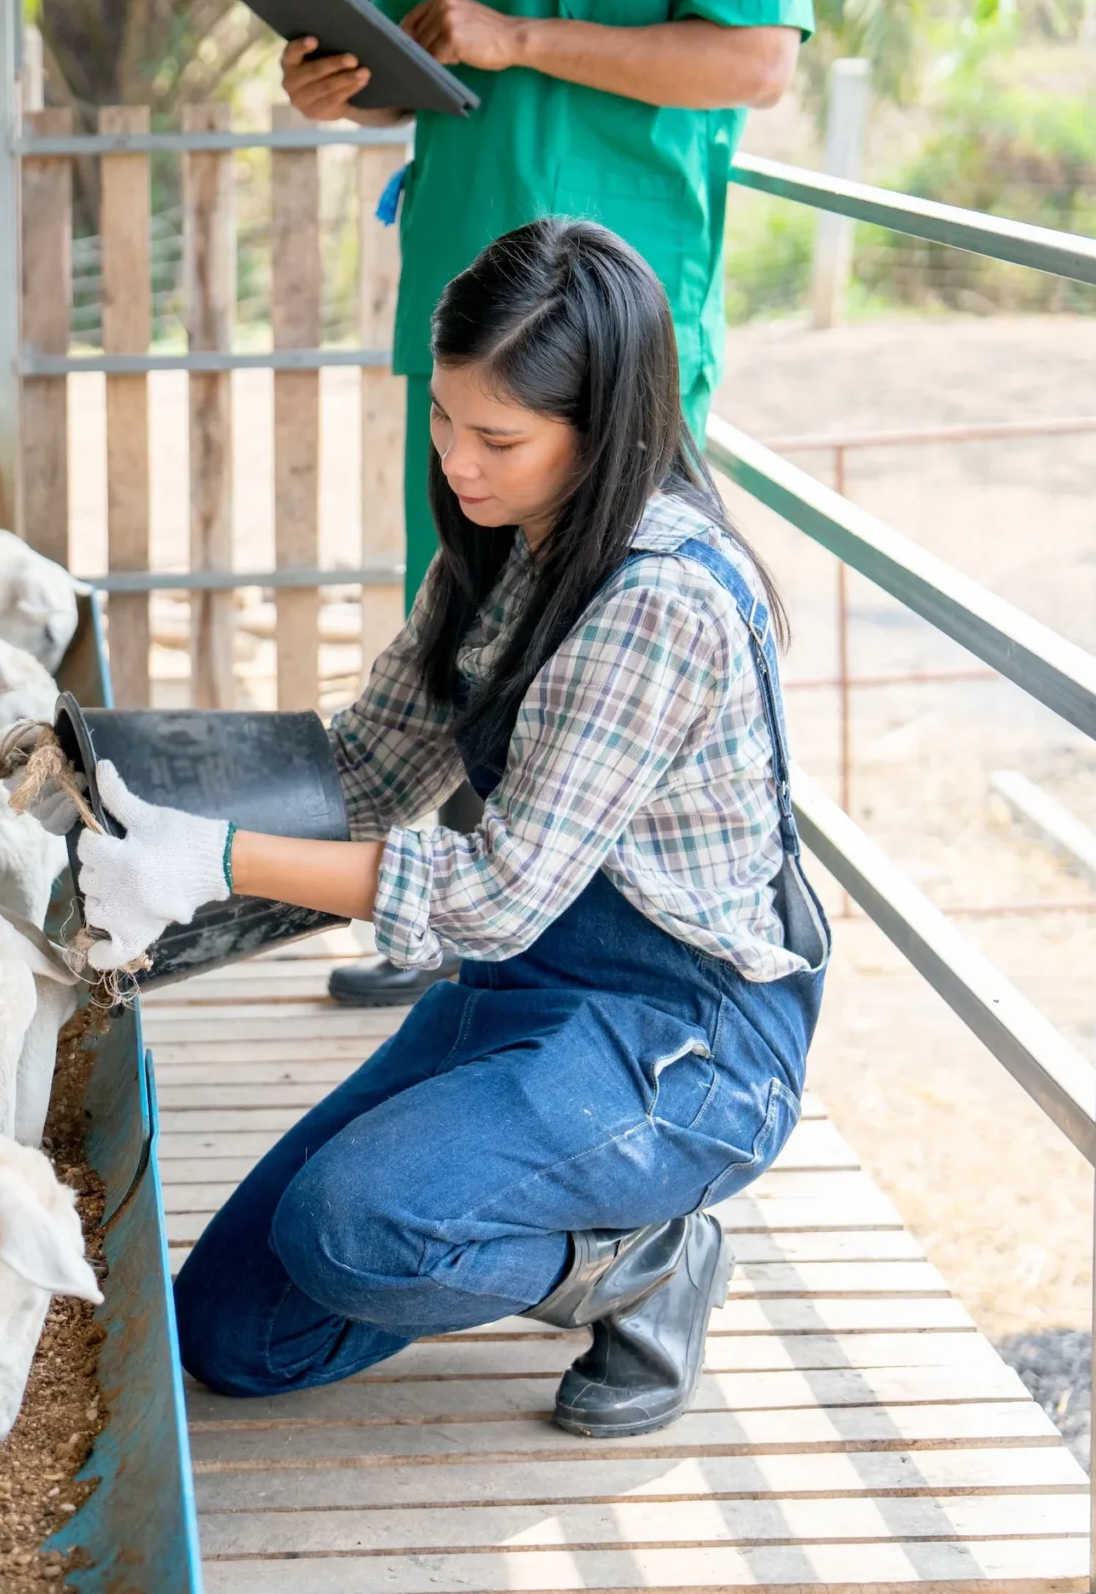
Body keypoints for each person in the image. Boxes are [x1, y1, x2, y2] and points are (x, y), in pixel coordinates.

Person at [69, 220, 828, 1436]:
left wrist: (212, 862)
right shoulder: (501, 545)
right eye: (443, 418)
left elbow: (490, 896)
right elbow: (369, 771)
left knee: (354, 1226)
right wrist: (119, 796)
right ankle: (567, 1220)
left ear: (607, 426)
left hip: (683, 1039)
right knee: (234, 1334)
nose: (458, 464)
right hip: (527, 992)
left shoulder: (658, 602)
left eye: (499, 439)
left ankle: (644, 1263)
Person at [295, 0, 814, 1006]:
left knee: (603, 622)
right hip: (464, 310)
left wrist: (518, 38)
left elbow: (756, 63)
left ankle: (584, 946)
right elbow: (408, 50)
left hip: (611, 333)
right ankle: (457, 925)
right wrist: (338, 82)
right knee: (456, 613)